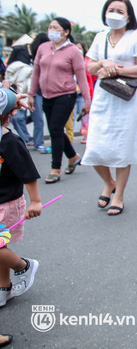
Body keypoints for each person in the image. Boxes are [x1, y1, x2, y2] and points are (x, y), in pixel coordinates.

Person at [83, 0, 137, 216]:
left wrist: (116, 69)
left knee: (123, 148)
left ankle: (119, 195)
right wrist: (103, 63)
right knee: (94, 148)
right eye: (111, 9)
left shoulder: (136, 36)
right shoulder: (100, 37)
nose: (115, 14)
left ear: (128, 16)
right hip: (103, 98)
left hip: (126, 99)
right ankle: (108, 182)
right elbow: (90, 66)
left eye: (120, 11)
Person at [28, 18, 91, 184]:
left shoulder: (73, 52)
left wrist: (87, 100)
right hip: (46, 95)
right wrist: (31, 94)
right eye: (50, 27)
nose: (51, 30)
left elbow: (81, 77)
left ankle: (55, 168)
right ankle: (73, 156)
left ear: (66, 32)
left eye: (55, 28)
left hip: (66, 95)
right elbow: (36, 72)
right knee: (55, 130)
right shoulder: (43, 48)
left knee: (55, 128)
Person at [0, 95, 41, 307]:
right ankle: (4, 286)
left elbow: (28, 173)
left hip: (6, 204)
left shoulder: (9, 141)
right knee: (1, 246)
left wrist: (35, 201)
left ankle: (23, 266)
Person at [5, 46, 33, 145]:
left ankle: (26, 138)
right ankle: (26, 138)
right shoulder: (25, 69)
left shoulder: (23, 70)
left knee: (18, 118)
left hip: (20, 97)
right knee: (18, 118)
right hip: (20, 97)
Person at [74, 42, 94, 144]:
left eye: (79, 48)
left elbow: (93, 77)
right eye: (75, 48)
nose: (77, 50)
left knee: (85, 116)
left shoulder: (87, 62)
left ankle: (87, 135)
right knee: (71, 118)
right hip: (71, 93)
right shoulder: (70, 60)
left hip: (84, 93)